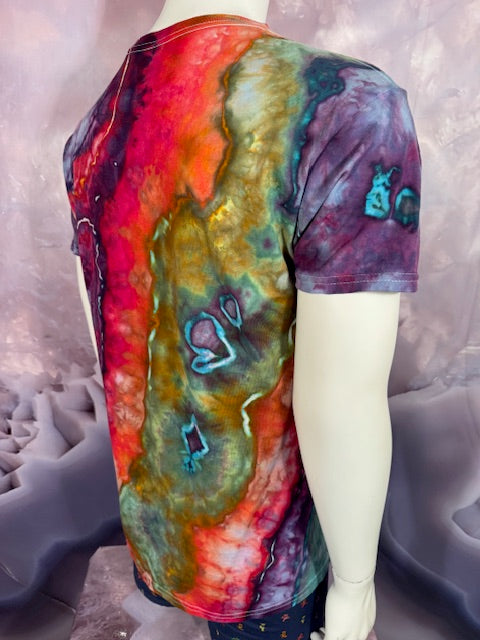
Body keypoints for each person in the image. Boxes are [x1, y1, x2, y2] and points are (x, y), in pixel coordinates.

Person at [63, 1, 421, 639]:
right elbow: (342, 398)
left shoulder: (97, 125)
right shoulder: (346, 109)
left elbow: (114, 354)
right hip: (272, 566)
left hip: (165, 529)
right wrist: (355, 584)